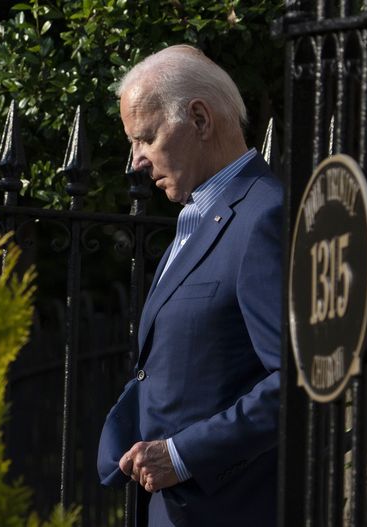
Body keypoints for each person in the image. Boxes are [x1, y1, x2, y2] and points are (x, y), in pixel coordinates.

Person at [96, 45, 283, 527]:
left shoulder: (266, 216)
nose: (134, 162)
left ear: (199, 119)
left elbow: (296, 383)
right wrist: (120, 435)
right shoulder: (196, 220)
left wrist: (181, 455)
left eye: (146, 139)